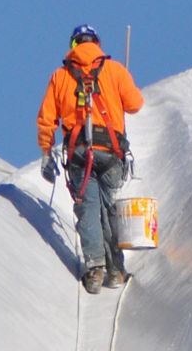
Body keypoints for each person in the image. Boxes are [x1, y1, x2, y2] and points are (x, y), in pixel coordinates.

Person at [37, 24, 145, 293]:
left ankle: (95, 269)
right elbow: (135, 104)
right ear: (97, 43)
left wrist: (46, 153)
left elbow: (47, 119)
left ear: (73, 45)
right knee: (109, 210)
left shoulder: (60, 76)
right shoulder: (115, 70)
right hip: (110, 152)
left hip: (79, 154)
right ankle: (116, 271)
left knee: (88, 211)